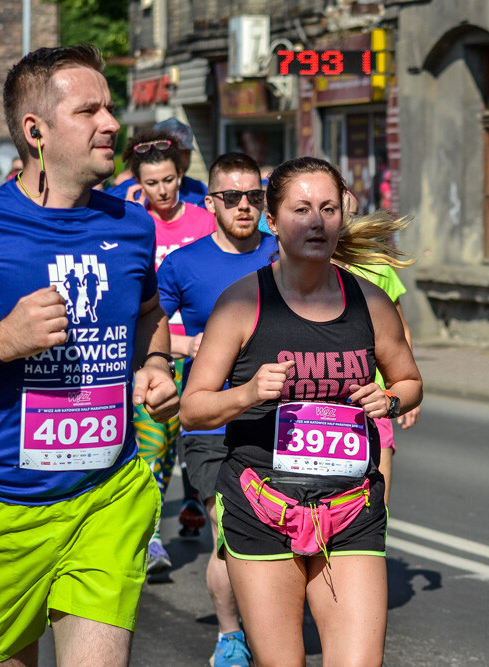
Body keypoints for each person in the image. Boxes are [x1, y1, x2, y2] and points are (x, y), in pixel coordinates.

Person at [0, 44, 178, 666]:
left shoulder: (132, 224)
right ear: (36, 131)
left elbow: (150, 313)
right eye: (89, 110)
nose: (112, 123)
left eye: (110, 107)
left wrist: (153, 364)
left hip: (105, 497)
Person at [180, 156, 422, 665]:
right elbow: (193, 410)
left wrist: (391, 399)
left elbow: (410, 381)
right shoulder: (242, 303)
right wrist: (246, 394)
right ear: (273, 221)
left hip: (351, 505)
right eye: (302, 209)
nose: (317, 221)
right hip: (263, 504)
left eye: (329, 209)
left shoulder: (371, 302)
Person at [158, 151, 277, 667]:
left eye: (255, 196)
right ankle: (231, 636)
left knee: (274, 530)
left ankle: (270, 621)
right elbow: (150, 324)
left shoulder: (284, 254)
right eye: (232, 197)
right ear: (210, 203)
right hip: (211, 416)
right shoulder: (183, 264)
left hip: (278, 415)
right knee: (229, 527)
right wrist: (170, 358)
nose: (245, 206)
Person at [125, 129, 216, 575]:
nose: (161, 191)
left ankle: (209, 511)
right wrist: (173, 344)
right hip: (153, 354)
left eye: (168, 180)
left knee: (198, 443)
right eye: (151, 183)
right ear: (138, 184)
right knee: (153, 448)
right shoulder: (132, 224)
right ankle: (151, 538)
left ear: (181, 175)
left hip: (205, 357)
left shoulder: (204, 220)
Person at [340, 192, 420, 505]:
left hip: (375, 401)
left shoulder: (377, 267)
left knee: (375, 504)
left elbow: (402, 330)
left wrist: (403, 389)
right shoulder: (293, 269)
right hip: (321, 406)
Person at [105, 117, 207, 205]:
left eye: (185, 152)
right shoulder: (126, 191)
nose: (180, 158)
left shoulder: (200, 190)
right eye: (173, 151)